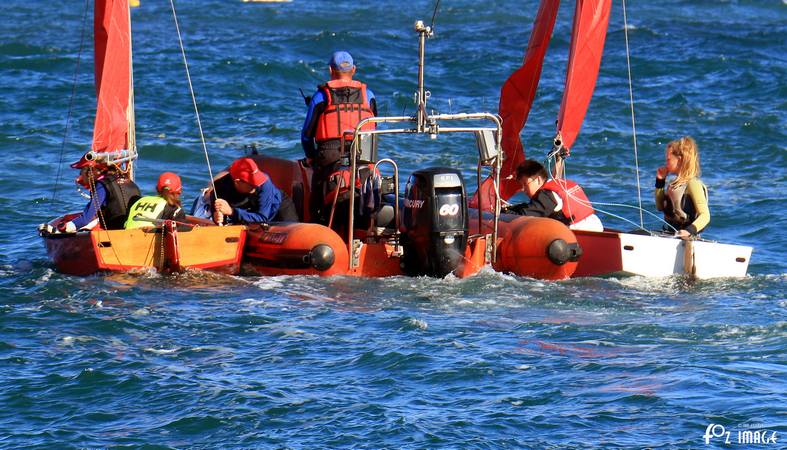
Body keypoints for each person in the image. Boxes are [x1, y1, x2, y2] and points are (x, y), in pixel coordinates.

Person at [301, 50, 377, 223]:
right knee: (367, 190)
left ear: (330, 70)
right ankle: (369, 228)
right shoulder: (368, 95)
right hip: (364, 154)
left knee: (318, 195)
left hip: (330, 155)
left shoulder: (321, 96)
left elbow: (306, 136)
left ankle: (319, 225)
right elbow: (375, 126)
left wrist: (311, 157)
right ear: (354, 70)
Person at [503, 159, 604, 232]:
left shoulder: (546, 195)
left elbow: (523, 217)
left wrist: (503, 214)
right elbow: (532, 208)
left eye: (525, 184)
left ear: (538, 179)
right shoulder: (557, 184)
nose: (523, 190)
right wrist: (510, 208)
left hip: (583, 231)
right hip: (595, 224)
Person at [55, 154, 141, 232]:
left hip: (116, 235)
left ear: (89, 173)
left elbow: (86, 219)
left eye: (81, 172)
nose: (79, 178)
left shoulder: (102, 185)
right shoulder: (130, 183)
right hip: (135, 232)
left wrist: (64, 228)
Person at [212, 157, 298, 225]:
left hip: (276, 208)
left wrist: (232, 212)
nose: (257, 185)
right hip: (246, 210)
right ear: (237, 182)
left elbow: (263, 217)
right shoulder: (220, 188)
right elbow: (217, 214)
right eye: (252, 183)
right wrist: (217, 217)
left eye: (258, 179)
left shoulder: (264, 183)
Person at [656, 136, 709, 238]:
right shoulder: (674, 184)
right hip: (671, 234)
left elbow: (705, 216)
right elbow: (660, 207)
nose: (666, 163)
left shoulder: (693, 184)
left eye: (668, 159)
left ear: (679, 160)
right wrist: (660, 181)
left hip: (686, 239)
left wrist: (689, 231)